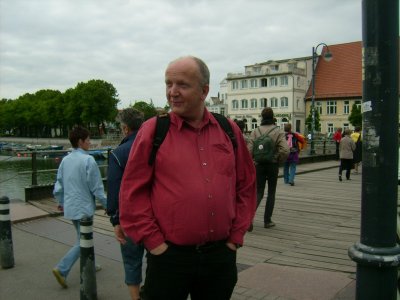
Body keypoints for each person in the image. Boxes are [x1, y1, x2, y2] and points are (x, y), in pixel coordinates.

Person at [119, 56, 256, 300]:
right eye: (168, 84)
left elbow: (246, 185)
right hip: (170, 258)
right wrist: (155, 243)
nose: (173, 92)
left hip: (219, 257)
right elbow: (132, 192)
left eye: (182, 84)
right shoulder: (153, 131)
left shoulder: (228, 130)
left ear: (204, 90)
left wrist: (235, 237)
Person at [52, 126, 107, 288]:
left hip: (70, 206)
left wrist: (60, 202)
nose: (90, 142)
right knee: (83, 240)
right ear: (80, 141)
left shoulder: (65, 160)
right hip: (84, 208)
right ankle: (62, 269)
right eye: (88, 140)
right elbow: (96, 187)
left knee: (82, 237)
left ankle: (91, 263)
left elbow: (59, 185)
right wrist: (107, 205)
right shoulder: (88, 160)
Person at [107, 108, 145, 300]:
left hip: (130, 218)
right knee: (157, 260)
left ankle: (136, 297)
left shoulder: (118, 154)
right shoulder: (156, 146)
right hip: (158, 215)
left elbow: (114, 189)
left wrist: (115, 220)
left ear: (125, 128)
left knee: (131, 262)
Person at [247, 108, 289, 229]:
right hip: (272, 165)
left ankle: (248, 219)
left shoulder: (255, 131)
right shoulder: (278, 131)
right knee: (271, 192)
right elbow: (285, 150)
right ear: (273, 117)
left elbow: (249, 150)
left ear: (262, 117)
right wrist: (277, 159)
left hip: (258, 165)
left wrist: (253, 162)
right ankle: (267, 221)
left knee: (258, 191)